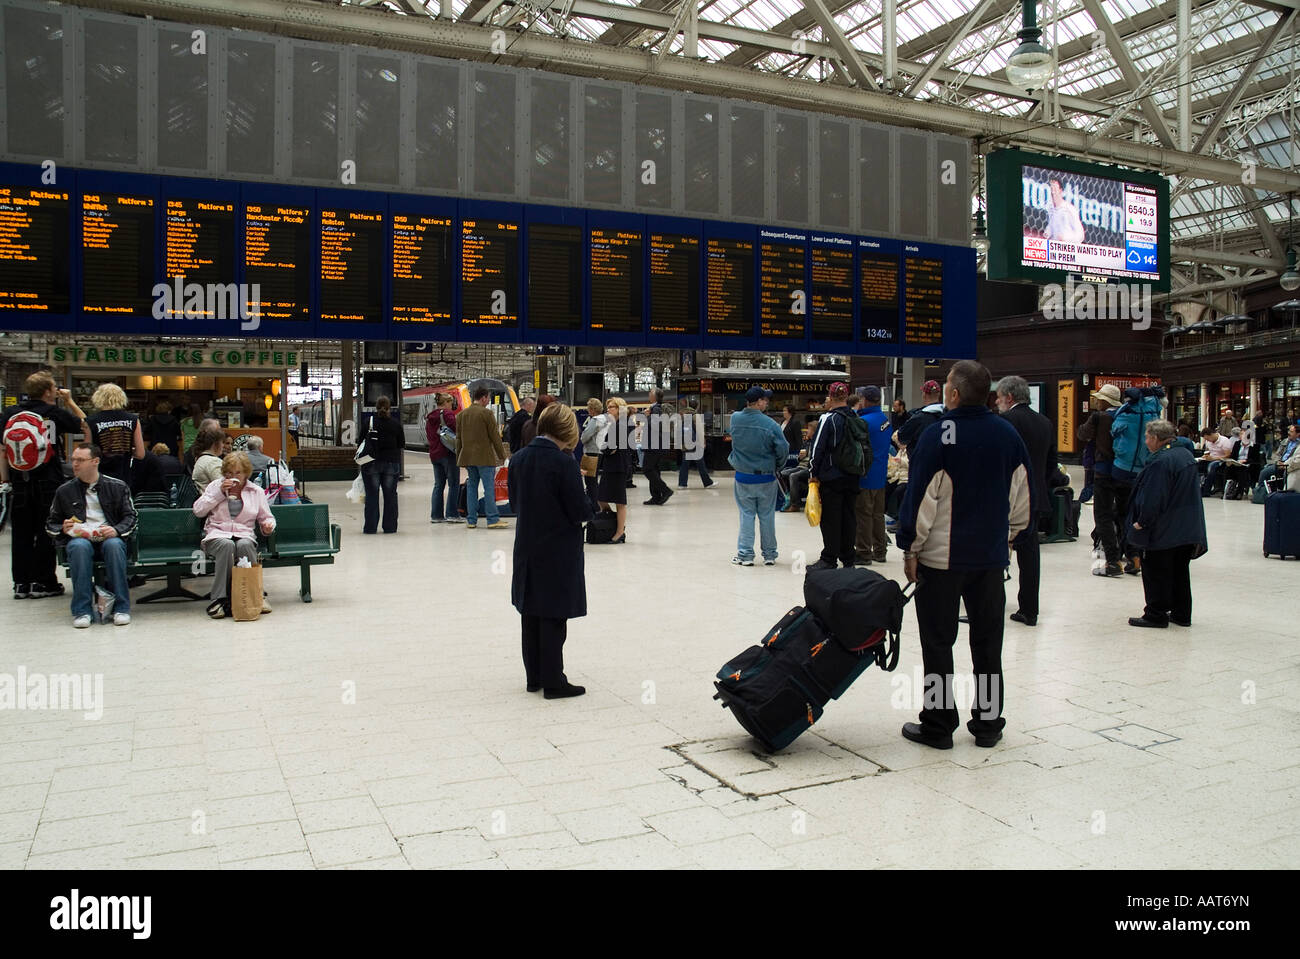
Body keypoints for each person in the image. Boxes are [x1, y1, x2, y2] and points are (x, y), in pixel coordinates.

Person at [896, 360, 1033, 750]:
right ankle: (988, 724)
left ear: (954, 394)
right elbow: (1022, 495)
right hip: (990, 562)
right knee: (988, 645)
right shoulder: (1007, 433)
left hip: (941, 563)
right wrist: (1008, 537)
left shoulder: (941, 434)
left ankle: (938, 726)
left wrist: (911, 547)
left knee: (938, 644)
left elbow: (923, 499)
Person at [508, 403, 594, 699]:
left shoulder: (518, 459)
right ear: (568, 429)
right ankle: (554, 682)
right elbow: (580, 511)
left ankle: (534, 678)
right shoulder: (563, 463)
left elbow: (515, 504)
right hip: (557, 549)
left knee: (530, 612)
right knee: (554, 616)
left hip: (527, 546)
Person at [2, 371, 90, 601]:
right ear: (48, 391)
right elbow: (84, 424)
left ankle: (21, 583)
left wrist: (5, 479)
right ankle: (43, 581)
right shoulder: (53, 413)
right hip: (48, 480)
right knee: (47, 530)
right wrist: (69, 400)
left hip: (19, 480)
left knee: (21, 533)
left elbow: (2, 449)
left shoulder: (11, 413)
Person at [1126, 421, 1207, 628]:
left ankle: (1156, 613)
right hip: (1187, 526)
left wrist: (1141, 522)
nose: (1145, 442)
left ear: (1155, 438)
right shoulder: (1185, 455)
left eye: (1146, 437)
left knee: (1156, 570)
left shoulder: (1160, 462)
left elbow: (1154, 497)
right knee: (1180, 571)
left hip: (1165, 528)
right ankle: (1181, 613)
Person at [45, 443, 136, 628]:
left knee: (114, 545)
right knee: (79, 547)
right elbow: (50, 523)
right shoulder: (64, 490)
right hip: (80, 539)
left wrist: (116, 530)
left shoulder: (117, 486)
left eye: (80, 460)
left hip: (107, 537)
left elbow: (131, 516)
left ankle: (121, 608)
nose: (75, 464)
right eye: (73, 460)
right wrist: (63, 527)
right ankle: (82, 611)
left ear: (95, 462)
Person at [996, 375, 1054, 626]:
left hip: (1007, 496)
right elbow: (1052, 462)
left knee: (997, 551)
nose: (997, 402)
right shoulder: (1045, 422)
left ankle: (991, 604)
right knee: (1030, 555)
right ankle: (1029, 609)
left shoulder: (1005, 421)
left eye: (998, 397)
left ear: (1009, 397)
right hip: (1036, 494)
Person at [193, 451, 276, 619]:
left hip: (244, 533)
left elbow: (267, 517)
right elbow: (198, 510)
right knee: (227, 545)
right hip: (217, 534)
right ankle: (218, 600)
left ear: (246, 473)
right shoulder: (215, 486)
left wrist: (268, 526)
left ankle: (256, 596)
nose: (233, 476)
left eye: (238, 472)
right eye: (229, 473)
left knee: (244, 545)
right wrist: (218, 494)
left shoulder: (256, 491)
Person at [727, 387, 788, 567]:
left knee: (746, 515)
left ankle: (745, 555)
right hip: (765, 477)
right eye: (765, 400)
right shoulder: (771, 424)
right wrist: (777, 465)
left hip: (743, 476)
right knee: (767, 515)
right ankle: (769, 554)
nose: (767, 402)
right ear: (758, 402)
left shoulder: (735, 419)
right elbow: (783, 448)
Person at [808, 382, 863, 571]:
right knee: (849, 517)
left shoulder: (828, 418)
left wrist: (813, 472)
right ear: (846, 397)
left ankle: (829, 558)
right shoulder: (854, 416)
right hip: (853, 476)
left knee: (831, 518)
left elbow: (817, 448)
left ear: (831, 398)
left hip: (832, 477)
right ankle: (848, 558)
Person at [1078, 384, 1123, 577]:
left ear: (1105, 401)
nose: (1096, 401)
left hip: (1104, 471)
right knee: (1125, 513)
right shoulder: (1125, 414)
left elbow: (1082, 434)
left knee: (1103, 514)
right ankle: (1134, 557)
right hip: (1125, 471)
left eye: (1098, 399)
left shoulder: (1099, 417)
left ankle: (1113, 561)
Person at [456, 386, 509, 530]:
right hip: (485, 458)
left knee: (472, 488)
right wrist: (502, 456)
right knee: (489, 489)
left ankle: (471, 520)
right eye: (488, 398)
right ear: (484, 397)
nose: (488, 401)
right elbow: (495, 437)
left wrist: (458, 457)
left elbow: (458, 439)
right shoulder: (487, 414)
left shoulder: (462, 415)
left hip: (468, 458)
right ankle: (492, 519)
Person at [854, 386, 894, 566]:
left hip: (865, 476)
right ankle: (880, 551)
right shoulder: (885, 420)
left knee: (863, 515)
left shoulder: (863, 422)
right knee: (878, 515)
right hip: (880, 474)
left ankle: (863, 552)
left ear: (866, 400)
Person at [85, 383, 145, 487]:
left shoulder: (91, 421)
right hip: (123, 478)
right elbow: (140, 454)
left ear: (98, 397)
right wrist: (128, 450)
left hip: (99, 478)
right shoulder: (133, 420)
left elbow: (87, 452)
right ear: (121, 398)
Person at [360, 396, 403, 534]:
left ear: (376, 407)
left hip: (371, 463)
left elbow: (360, 441)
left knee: (372, 495)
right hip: (391, 463)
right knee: (390, 495)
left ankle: (371, 527)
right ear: (390, 407)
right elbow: (401, 444)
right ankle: (390, 527)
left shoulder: (369, 422)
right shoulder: (396, 424)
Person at [595, 397, 632, 543]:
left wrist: (605, 447)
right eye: (608, 407)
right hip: (610, 465)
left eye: (612, 407)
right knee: (600, 497)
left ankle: (619, 532)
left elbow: (611, 447)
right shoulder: (613, 424)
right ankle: (615, 522)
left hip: (619, 466)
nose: (609, 409)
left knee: (619, 501)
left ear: (619, 409)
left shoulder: (623, 425)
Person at [426, 393, 460, 523]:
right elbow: (458, 429)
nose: (452, 406)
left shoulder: (430, 417)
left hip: (434, 454)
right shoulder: (447, 414)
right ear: (446, 402)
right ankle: (452, 514)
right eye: (451, 403)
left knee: (438, 485)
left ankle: (436, 516)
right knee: (453, 484)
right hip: (448, 453)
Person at [641, 388, 674, 506]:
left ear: (655, 396)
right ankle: (655, 496)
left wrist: (647, 416)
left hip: (654, 445)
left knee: (647, 469)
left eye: (650, 393)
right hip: (658, 444)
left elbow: (654, 426)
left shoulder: (655, 409)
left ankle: (665, 490)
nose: (649, 394)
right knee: (654, 469)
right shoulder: (658, 408)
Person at [894, 379, 944, 454]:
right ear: (939, 394)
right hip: (943, 462)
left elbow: (901, 437)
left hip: (922, 461)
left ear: (924, 395)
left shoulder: (918, 418)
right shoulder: (948, 416)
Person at [779, 422, 816, 512]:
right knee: (782, 474)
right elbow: (799, 460)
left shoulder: (816, 443)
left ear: (814, 431)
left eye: (810, 429)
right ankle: (789, 496)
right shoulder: (806, 443)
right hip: (801, 466)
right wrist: (799, 457)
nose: (807, 431)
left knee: (793, 476)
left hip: (809, 468)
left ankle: (795, 504)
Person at [677, 402, 714, 490]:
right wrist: (703, 442)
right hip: (695, 444)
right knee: (701, 464)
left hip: (686, 444)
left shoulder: (682, 416)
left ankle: (682, 484)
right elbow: (700, 431)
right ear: (696, 407)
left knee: (685, 465)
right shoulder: (695, 416)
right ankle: (707, 483)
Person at [579, 397, 606, 509]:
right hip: (599, 452)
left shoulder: (595, 420)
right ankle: (597, 503)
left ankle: (593, 505)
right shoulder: (605, 419)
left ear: (593, 409)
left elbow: (585, 436)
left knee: (589, 480)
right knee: (594, 480)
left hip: (591, 452)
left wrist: (582, 438)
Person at [1257, 424, 1299, 494]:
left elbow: (1296, 460)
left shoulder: (1298, 445)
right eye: (1289, 431)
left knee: (1287, 475)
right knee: (1264, 472)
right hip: (1279, 464)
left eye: (1291, 431)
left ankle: (1284, 495)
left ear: (1297, 434)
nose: (1289, 433)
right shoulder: (1285, 441)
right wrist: (1278, 462)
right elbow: (1278, 454)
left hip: (1289, 466)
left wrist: (1285, 464)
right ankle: (1260, 493)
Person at [1044, 176, 1085, 244]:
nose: (1053, 192)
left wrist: (1065, 238)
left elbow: (1080, 235)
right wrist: (1048, 232)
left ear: (1060, 190)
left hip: (1068, 250)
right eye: (1051, 188)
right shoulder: (1051, 209)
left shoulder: (1069, 209)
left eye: (1055, 189)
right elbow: (1052, 226)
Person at [1197, 426, 1235, 496]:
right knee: (1197, 465)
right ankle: (1198, 487)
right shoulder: (1208, 442)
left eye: (1208, 438)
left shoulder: (1224, 441)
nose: (1208, 441)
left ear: (1211, 435)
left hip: (1221, 460)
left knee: (1211, 467)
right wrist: (1205, 456)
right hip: (1210, 458)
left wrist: (1214, 458)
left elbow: (1228, 455)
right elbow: (1208, 451)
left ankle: (1206, 490)